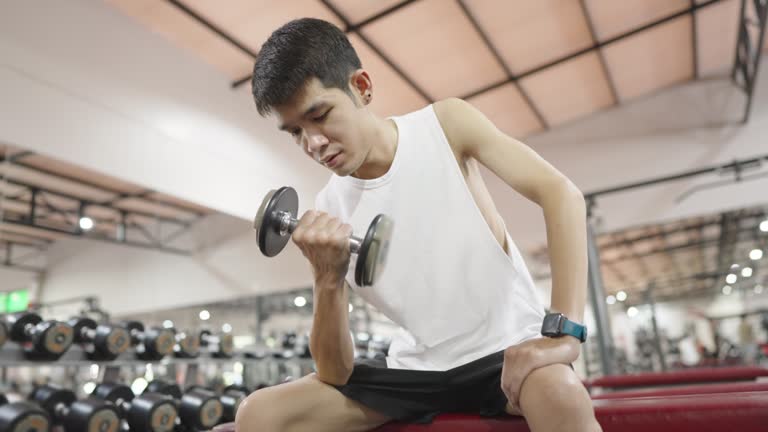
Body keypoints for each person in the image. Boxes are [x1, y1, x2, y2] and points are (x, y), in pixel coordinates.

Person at [234, 18, 601, 432]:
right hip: (418, 371)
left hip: (508, 349)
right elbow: (335, 373)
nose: (312, 143)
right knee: (259, 415)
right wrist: (326, 277)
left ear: (361, 87)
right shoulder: (327, 210)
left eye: (319, 115)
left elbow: (561, 195)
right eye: (295, 132)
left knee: (561, 394)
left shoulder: (444, 125)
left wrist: (564, 334)